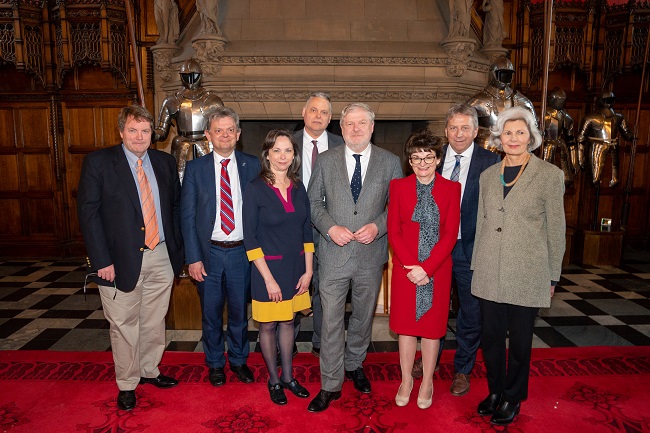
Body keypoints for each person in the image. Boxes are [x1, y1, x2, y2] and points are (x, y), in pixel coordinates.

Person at [77, 105, 184, 411]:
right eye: (133, 130)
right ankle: (127, 382)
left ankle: (150, 370)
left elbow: (174, 210)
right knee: (123, 323)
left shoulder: (164, 162)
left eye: (146, 131)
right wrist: (101, 261)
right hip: (118, 258)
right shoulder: (99, 163)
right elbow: (89, 214)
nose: (140, 137)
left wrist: (179, 253)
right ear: (121, 131)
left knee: (153, 319)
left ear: (154, 134)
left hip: (161, 254)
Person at [471, 106, 565, 426]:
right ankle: (496, 391)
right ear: (499, 137)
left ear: (531, 137)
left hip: (528, 271)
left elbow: (556, 229)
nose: (513, 138)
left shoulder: (549, 176)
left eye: (520, 133)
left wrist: (553, 274)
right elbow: (484, 222)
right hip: (488, 269)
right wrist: (476, 266)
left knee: (521, 342)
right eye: (507, 133)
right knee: (492, 338)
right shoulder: (487, 176)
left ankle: (513, 397)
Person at [306, 103, 403, 413]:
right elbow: (313, 204)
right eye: (350, 124)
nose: (356, 128)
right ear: (342, 128)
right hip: (333, 253)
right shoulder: (325, 160)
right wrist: (330, 228)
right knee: (331, 320)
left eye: (362, 123)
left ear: (372, 127)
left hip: (370, 255)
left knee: (362, 317)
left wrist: (379, 226)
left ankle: (354, 364)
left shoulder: (390, 162)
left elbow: (397, 207)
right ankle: (330, 383)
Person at [181, 106, 261, 388]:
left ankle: (239, 361)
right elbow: (187, 216)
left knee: (240, 313)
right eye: (218, 130)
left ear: (238, 134)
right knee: (211, 313)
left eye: (230, 130)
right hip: (209, 253)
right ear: (208, 135)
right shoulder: (195, 168)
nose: (225, 135)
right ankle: (215, 363)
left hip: (242, 252)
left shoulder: (253, 165)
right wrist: (193, 257)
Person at [388, 130, 461, 410]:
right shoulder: (398, 186)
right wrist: (412, 267)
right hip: (406, 270)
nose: (422, 163)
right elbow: (394, 231)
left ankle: (427, 381)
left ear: (438, 158)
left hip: (438, 269)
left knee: (431, 330)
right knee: (406, 329)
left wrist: (427, 269)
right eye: (416, 158)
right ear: (409, 160)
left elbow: (450, 233)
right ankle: (406, 380)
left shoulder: (452, 189)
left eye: (428, 157)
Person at [243, 129, 314, 405]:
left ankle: (288, 377)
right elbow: (250, 238)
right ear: (267, 154)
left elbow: (307, 231)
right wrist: (269, 280)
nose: (283, 156)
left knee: (289, 321)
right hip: (267, 272)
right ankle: (273, 380)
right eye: (277, 150)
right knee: (269, 325)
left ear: (294, 155)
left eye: (288, 150)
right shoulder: (255, 188)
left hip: (296, 270)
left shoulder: (298, 187)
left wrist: (308, 271)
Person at [293, 92, 344, 357]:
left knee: (326, 286)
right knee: (293, 283)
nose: (318, 116)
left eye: (324, 112)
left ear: (330, 118)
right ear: (303, 112)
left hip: (329, 228)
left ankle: (321, 341)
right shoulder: (285, 143)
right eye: (313, 110)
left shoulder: (342, 144)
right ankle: (286, 341)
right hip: (292, 226)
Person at [154, 59, 224, 183]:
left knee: (210, 181)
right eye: (187, 76)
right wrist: (151, 134)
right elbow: (162, 131)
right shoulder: (171, 101)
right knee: (178, 182)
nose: (191, 79)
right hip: (181, 142)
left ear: (200, 76)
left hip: (206, 141)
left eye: (194, 75)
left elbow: (223, 128)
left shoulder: (213, 100)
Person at [466, 56, 537, 152]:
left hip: (514, 147)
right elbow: (465, 128)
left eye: (508, 74)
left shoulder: (522, 101)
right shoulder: (478, 101)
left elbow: (533, 130)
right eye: (502, 74)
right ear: (493, 74)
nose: (505, 78)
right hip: (487, 147)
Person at [577, 91, 634, 187]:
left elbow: (626, 132)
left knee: (615, 179)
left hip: (614, 146)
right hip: (597, 145)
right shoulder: (591, 117)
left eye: (611, 100)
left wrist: (631, 137)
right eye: (607, 100)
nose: (609, 103)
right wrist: (580, 157)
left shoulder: (618, 117)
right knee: (595, 178)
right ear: (600, 101)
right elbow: (581, 138)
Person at [542, 87, 578, 185]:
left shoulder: (566, 117)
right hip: (546, 146)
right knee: (544, 179)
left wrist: (575, 160)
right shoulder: (543, 115)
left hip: (561, 146)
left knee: (566, 180)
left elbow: (571, 140)